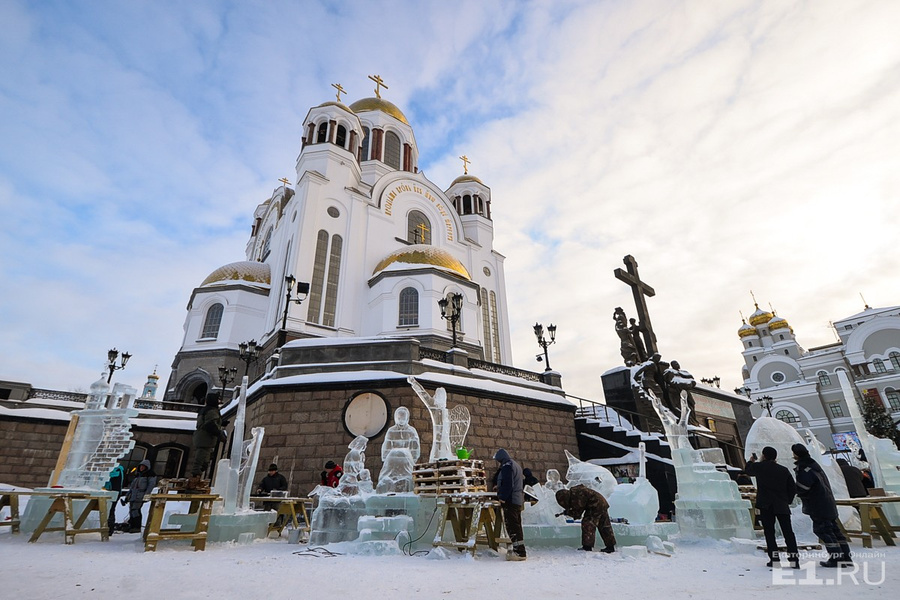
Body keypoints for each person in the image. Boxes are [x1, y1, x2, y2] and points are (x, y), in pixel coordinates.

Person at [792, 443, 852, 568]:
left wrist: (794, 489)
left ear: (796, 454)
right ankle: (845, 556)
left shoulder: (805, 468)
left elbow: (804, 487)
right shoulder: (814, 465)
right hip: (827, 502)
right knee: (834, 530)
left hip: (817, 504)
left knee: (823, 530)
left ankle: (836, 558)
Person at [746, 447, 800, 568]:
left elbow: (748, 470)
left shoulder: (759, 467)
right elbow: (792, 488)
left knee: (769, 533)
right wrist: (787, 500)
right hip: (781, 505)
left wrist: (751, 461)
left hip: (766, 505)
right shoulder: (783, 470)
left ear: (764, 456)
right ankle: (794, 560)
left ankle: (774, 559)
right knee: (788, 533)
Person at [555, 485, 616, 553]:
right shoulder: (574, 492)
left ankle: (587, 546)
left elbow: (577, 514)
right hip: (602, 503)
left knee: (587, 523)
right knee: (604, 525)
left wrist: (568, 512)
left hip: (595, 505)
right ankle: (610, 546)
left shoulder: (576, 496)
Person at [187, 392, 228, 489]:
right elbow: (210, 424)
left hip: (202, 439)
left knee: (203, 461)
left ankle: (197, 480)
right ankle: (194, 483)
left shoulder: (205, 410)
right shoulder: (212, 411)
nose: (219, 401)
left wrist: (221, 422)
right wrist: (220, 434)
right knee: (201, 461)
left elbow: (209, 421)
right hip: (205, 439)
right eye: (218, 399)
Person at [494, 448, 527, 561]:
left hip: (511, 500)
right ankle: (520, 549)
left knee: (512, 526)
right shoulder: (515, 464)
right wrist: (499, 486)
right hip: (517, 500)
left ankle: (520, 553)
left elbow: (509, 483)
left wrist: (502, 497)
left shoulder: (507, 466)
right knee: (517, 525)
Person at [123, 459, 157, 533]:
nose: (141, 468)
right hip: (134, 495)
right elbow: (132, 487)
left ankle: (137, 526)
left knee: (136, 510)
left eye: (143, 467)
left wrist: (146, 495)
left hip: (140, 495)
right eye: (141, 466)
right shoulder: (138, 475)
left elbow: (150, 485)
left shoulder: (150, 475)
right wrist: (127, 496)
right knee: (131, 510)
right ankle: (131, 525)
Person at [103, 463, 126, 533]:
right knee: (109, 510)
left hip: (113, 493)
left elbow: (110, 478)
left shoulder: (117, 470)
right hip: (111, 492)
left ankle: (109, 527)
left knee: (111, 509)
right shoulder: (117, 470)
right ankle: (108, 526)